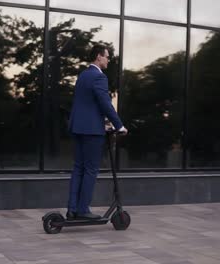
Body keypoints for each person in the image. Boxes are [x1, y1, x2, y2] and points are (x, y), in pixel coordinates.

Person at [66, 44, 128, 220]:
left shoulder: (83, 75)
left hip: (77, 127)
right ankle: (83, 209)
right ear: (99, 57)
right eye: (107, 56)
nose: (108, 59)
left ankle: (72, 209)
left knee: (78, 168)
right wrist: (119, 125)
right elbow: (104, 103)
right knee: (91, 169)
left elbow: (88, 104)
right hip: (92, 131)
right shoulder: (99, 77)